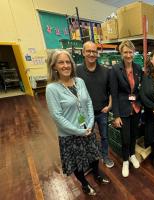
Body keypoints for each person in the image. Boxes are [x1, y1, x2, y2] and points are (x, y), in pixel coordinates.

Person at [45, 50, 110, 196]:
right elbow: (57, 117)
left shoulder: (79, 81)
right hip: (70, 135)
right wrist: (79, 130)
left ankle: (97, 176)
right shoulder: (52, 89)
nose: (66, 65)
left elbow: (88, 103)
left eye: (68, 62)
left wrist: (90, 123)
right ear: (54, 66)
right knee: (77, 164)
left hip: (87, 129)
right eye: (61, 62)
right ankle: (85, 185)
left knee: (94, 157)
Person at [77, 41, 114, 168]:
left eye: (94, 51)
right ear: (83, 53)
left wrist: (109, 106)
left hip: (102, 112)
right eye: (88, 51)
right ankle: (90, 159)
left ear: (97, 53)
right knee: (86, 137)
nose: (92, 54)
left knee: (104, 137)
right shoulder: (77, 71)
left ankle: (105, 156)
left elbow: (111, 91)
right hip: (84, 114)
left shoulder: (105, 71)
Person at [110, 40, 141, 177]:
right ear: (121, 53)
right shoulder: (116, 69)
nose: (128, 55)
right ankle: (125, 161)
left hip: (135, 108)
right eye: (125, 52)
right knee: (125, 137)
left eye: (130, 52)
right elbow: (114, 94)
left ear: (134, 52)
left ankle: (132, 155)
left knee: (134, 134)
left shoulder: (138, 68)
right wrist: (116, 115)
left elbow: (138, 90)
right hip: (123, 109)